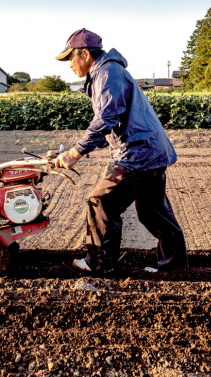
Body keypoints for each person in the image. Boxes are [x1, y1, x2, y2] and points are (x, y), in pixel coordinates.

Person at [54, 28, 188, 274]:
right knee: (152, 211)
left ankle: (100, 264)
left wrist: (75, 153)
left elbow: (106, 117)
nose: (70, 65)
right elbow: (116, 122)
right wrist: (87, 146)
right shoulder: (109, 71)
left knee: (101, 201)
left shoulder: (106, 73)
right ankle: (175, 266)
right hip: (152, 152)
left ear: (83, 54)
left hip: (138, 155)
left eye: (70, 58)